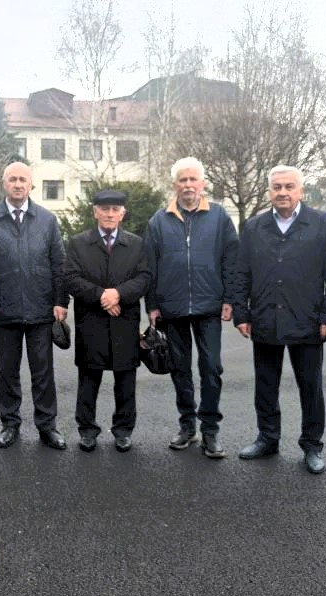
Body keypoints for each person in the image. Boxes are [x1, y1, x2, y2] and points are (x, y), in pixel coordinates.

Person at [232, 165, 326, 474]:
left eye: (289, 187)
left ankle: (312, 444)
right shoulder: (254, 227)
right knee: (265, 385)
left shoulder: (323, 224)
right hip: (265, 318)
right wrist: (241, 313)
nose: (282, 192)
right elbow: (241, 273)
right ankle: (267, 438)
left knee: (311, 386)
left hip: (308, 320)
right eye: (277, 187)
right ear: (269, 191)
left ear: (301, 191)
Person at [145, 156, 238, 458]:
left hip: (209, 305)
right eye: (182, 180)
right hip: (171, 307)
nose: (188, 185)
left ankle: (210, 430)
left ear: (202, 183)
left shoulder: (219, 217)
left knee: (211, 368)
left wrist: (230, 299)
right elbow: (150, 267)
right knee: (179, 369)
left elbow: (231, 261)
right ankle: (188, 425)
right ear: (175, 184)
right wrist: (152, 304)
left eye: (193, 179)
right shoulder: (158, 221)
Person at [0, 161, 69, 450]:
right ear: (4, 184)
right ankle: (10, 424)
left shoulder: (47, 220)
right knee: (8, 372)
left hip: (41, 309)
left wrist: (61, 301)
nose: (17, 184)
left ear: (31, 185)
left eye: (22, 179)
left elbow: (59, 265)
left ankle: (47, 426)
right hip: (5, 310)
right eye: (12, 179)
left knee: (43, 373)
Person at [63, 190, 151, 453]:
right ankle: (87, 430)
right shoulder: (78, 243)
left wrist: (118, 294)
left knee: (126, 381)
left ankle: (123, 431)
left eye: (115, 209)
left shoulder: (136, 244)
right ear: (95, 212)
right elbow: (70, 278)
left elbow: (144, 278)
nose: (110, 214)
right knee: (88, 379)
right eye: (104, 209)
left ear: (123, 213)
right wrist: (102, 296)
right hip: (91, 321)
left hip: (124, 321)